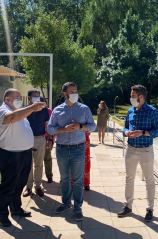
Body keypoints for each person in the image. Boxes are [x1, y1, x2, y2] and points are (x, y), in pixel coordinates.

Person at [0, 88, 46, 227]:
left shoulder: (19, 112)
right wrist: (32, 107)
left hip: (24, 153)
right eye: (15, 97)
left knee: (19, 184)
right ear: (7, 99)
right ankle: (3, 216)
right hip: (11, 155)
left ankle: (16, 208)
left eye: (19, 97)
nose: (18, 99)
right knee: (8, 186)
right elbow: (11, 118)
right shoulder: (2, 111)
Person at [47, 82, 96, 221]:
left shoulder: (84, 109)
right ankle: (66, 203)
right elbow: (50, 128)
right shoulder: (57, 111)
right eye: (72, 92)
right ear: (65, 94)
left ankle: (78, 207)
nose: (75, 94)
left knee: (78, 180)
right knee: (64, 179)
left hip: (78, 149)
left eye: (76, 91)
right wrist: (63, 129)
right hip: (61, 149)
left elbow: (92, 126)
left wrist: (80, 126)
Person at [117, 85, 158, 222]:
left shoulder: (152, 111)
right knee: (129, 178)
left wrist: (142, 132)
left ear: (141, 97)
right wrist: (126, 132)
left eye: (133, 96)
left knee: (149, 180)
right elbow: (125, 126)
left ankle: (149, 209)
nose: (131, 98)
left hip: (145, 150)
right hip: (131, 148)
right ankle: (128, 206)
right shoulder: (130, 111)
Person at [22, 89, 51, 197]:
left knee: (39, 164)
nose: (37, 98)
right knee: (28, 165)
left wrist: (49, 139)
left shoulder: (44, 110)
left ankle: (38, 186)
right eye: (34, 96)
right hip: (27, 139)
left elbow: (47, 124)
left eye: (38, 96)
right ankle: (28, 187)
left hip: (40, 139)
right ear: (29, 97)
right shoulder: (23, 109)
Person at [41, 97, 55, 183]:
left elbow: (52, 124)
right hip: (36, 136)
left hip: (47, 137)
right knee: (36, 159)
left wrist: (51, 139)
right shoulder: (32, 110)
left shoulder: (49, 111)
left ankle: (49, 176)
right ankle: (37, 176)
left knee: (47, 157)